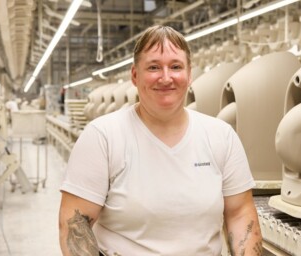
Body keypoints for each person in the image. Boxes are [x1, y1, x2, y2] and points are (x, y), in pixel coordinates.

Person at [58, 25, 262, 255]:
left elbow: (240, 214)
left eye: (175, 67)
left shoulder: (221, 136)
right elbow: (74, 224)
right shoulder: (103, 136)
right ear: (135, 75)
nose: (166, 78)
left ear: (189, 74)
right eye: (154, 67)